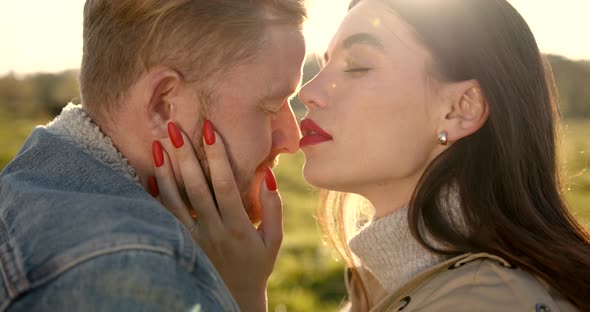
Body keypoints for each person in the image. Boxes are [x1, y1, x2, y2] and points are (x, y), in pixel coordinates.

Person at [154, 0, 590, 311]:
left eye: (358, 66)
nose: (310, 92)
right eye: (325, 65)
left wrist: (238, 300)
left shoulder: (487, 302)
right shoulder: (381, 279)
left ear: (461, 108)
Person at [0, 0, 306, 310]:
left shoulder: (25, 184)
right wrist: (239, 299)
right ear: (162, 105)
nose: (293, 140)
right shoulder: (137, 278)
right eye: (269, 107)